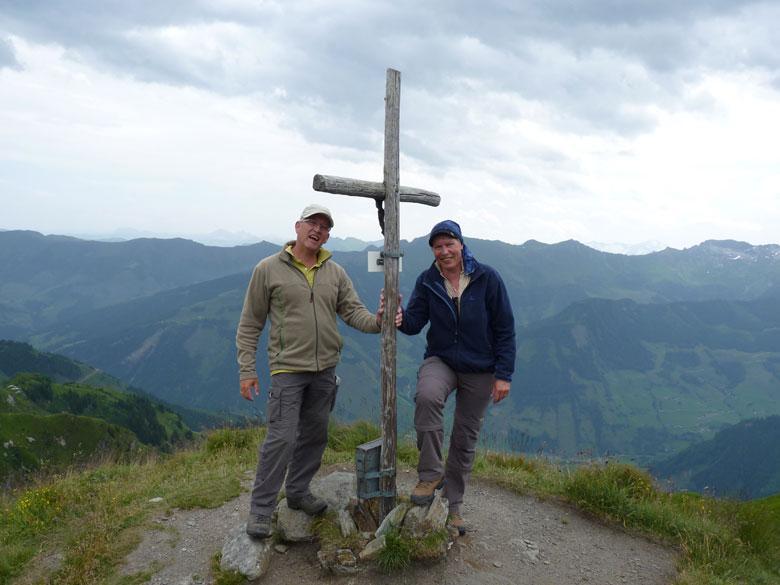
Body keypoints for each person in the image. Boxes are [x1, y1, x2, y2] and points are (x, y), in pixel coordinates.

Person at [236, 204, 394, 539]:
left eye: (324, 226)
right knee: (281, 439)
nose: (318, 230)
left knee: (315, 435)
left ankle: (297, 492)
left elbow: (354, 313)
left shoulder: (334, 272)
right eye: (312, 223)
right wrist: (247, 370)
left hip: (325, 370)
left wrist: (379, 321)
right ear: (297, 226)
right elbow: (250, 323)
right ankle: (261, 510)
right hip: (287, 370)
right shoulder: (268, 269)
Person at [398, 219, 516, 535]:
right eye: (438, 246)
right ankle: (430, 475)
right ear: (433, 251)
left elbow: (505, 328)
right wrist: (397, 317)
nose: (445, 250)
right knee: (426, 396)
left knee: (465, 437)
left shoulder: (487, 278)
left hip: (481, 367)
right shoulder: (428, 281)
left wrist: (503, 374)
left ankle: (453, 506)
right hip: (442, 359)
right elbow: (413, 323)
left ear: (461, 245)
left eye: (450, 244)